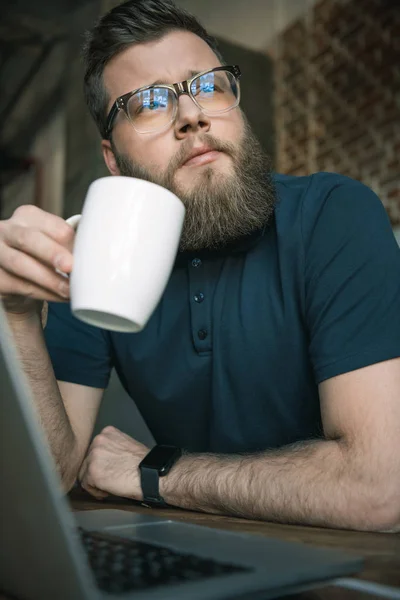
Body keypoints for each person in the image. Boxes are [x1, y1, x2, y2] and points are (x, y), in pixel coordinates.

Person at [1, 0, 400, 532]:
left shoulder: (334, 215)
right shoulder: (96, 254)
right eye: (148, 102)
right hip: (194, 556)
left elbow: (380, 489)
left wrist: (158, 474)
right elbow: (52, 475)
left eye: (209, 85)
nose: (192, 114)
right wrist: (17, 313)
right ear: (113, 159)